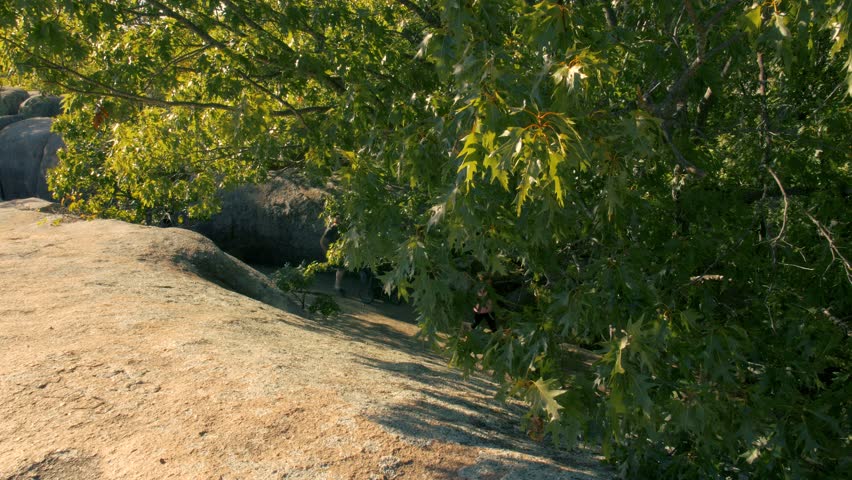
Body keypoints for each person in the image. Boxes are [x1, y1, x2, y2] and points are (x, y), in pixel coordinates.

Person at [320, 218, 346, 296]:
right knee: (341, 268)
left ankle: (337, 286)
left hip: (337, 250)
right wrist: (327, 252)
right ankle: (337, 287)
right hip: (334, 251)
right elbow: (322, 241)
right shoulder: (333, 228)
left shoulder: (337, 227)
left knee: (341, 268)